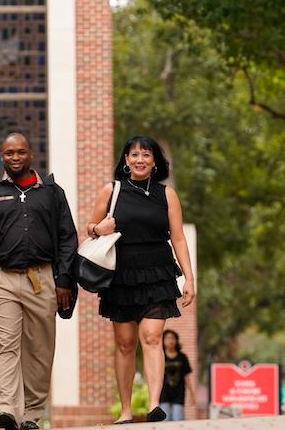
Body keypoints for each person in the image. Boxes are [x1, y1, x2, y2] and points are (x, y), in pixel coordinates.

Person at [0, 132, 78, 430]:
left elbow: (68, 238)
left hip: (42, 278)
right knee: (6, 344)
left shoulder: (53, 193)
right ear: (1, 157)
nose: (15, 157)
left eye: (20, 152)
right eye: (9, 153)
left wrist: (64, 279)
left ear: (31, 154)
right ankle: (6, 411)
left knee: (41, 349)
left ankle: (30, 415)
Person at [87, 135, 195, 424]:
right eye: (134, 155)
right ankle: (125, 411)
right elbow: (88, 230)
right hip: (121, 272)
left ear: (155, 161)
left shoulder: (167, 195)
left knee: (152, 336)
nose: (140, 160)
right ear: (125, 160)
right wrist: (100, 227)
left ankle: (155, 404)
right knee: (125, 344)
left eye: (146, 155)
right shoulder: (111, 190)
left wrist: (189, 278)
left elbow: (179, 238)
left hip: (157, 270)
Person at [159, 329, 194, 420]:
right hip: (163, 393)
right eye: (167, 338)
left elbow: (187, 376)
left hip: (179, 393)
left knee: (178, 419)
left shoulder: (182, 357)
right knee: (165, 420)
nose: (170, 341)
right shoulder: (160, 356)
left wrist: (191, 393)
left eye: (172, 338)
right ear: (162, 341)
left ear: (176, 340)